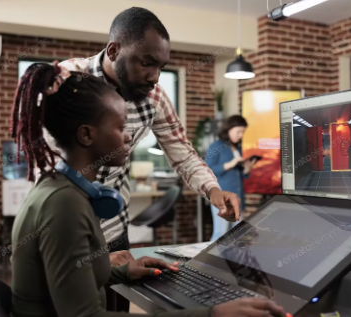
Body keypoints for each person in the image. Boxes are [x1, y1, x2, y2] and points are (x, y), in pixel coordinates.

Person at [9, 63, 287, 317]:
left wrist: (121, 272)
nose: (129, 135)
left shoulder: (60, 189)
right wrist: (211, 314)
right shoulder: (65, 205)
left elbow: (67, 277)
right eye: (119, 127)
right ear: (86, 135)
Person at [40, 7, 241, 261]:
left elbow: (183, 154)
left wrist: (213, 190)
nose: (155, 77)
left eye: (161, 67)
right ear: (114, 51)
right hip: (63, 227)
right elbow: (44, 159)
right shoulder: (68, 81)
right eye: (146, 63)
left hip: (114, 231)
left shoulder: (154, 98)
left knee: (115, 300)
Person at [205, 116, 258, 241]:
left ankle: (229, 260)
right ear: (229, 129)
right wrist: (231, 163)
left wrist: (247, 169)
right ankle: (210, 260)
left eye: (242, 132)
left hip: (238, 198)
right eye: (238, 131)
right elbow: (207, 170)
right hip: (222, 198)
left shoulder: (238, 148)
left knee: (236, 235)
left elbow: (238, 174)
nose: (240, 135)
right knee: (220, 233)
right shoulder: (216, 146)